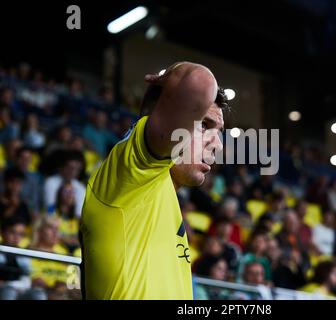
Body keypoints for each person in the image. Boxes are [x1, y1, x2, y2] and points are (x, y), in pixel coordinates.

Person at [80, 62, 228, 299]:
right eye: (204, 125)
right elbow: (198, 80)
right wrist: (178, 73)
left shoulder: (166, 197)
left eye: (219, 132)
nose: (218, 144)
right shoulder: (132, 174)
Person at [43, 150, 85, 216]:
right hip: (53, 220)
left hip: (71, 222)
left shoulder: (80, 188)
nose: (73, 172)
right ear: (62, 167)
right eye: (70, 168)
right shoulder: (51, 182)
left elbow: (78, 213)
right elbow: (50, 207)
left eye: (76, 169)